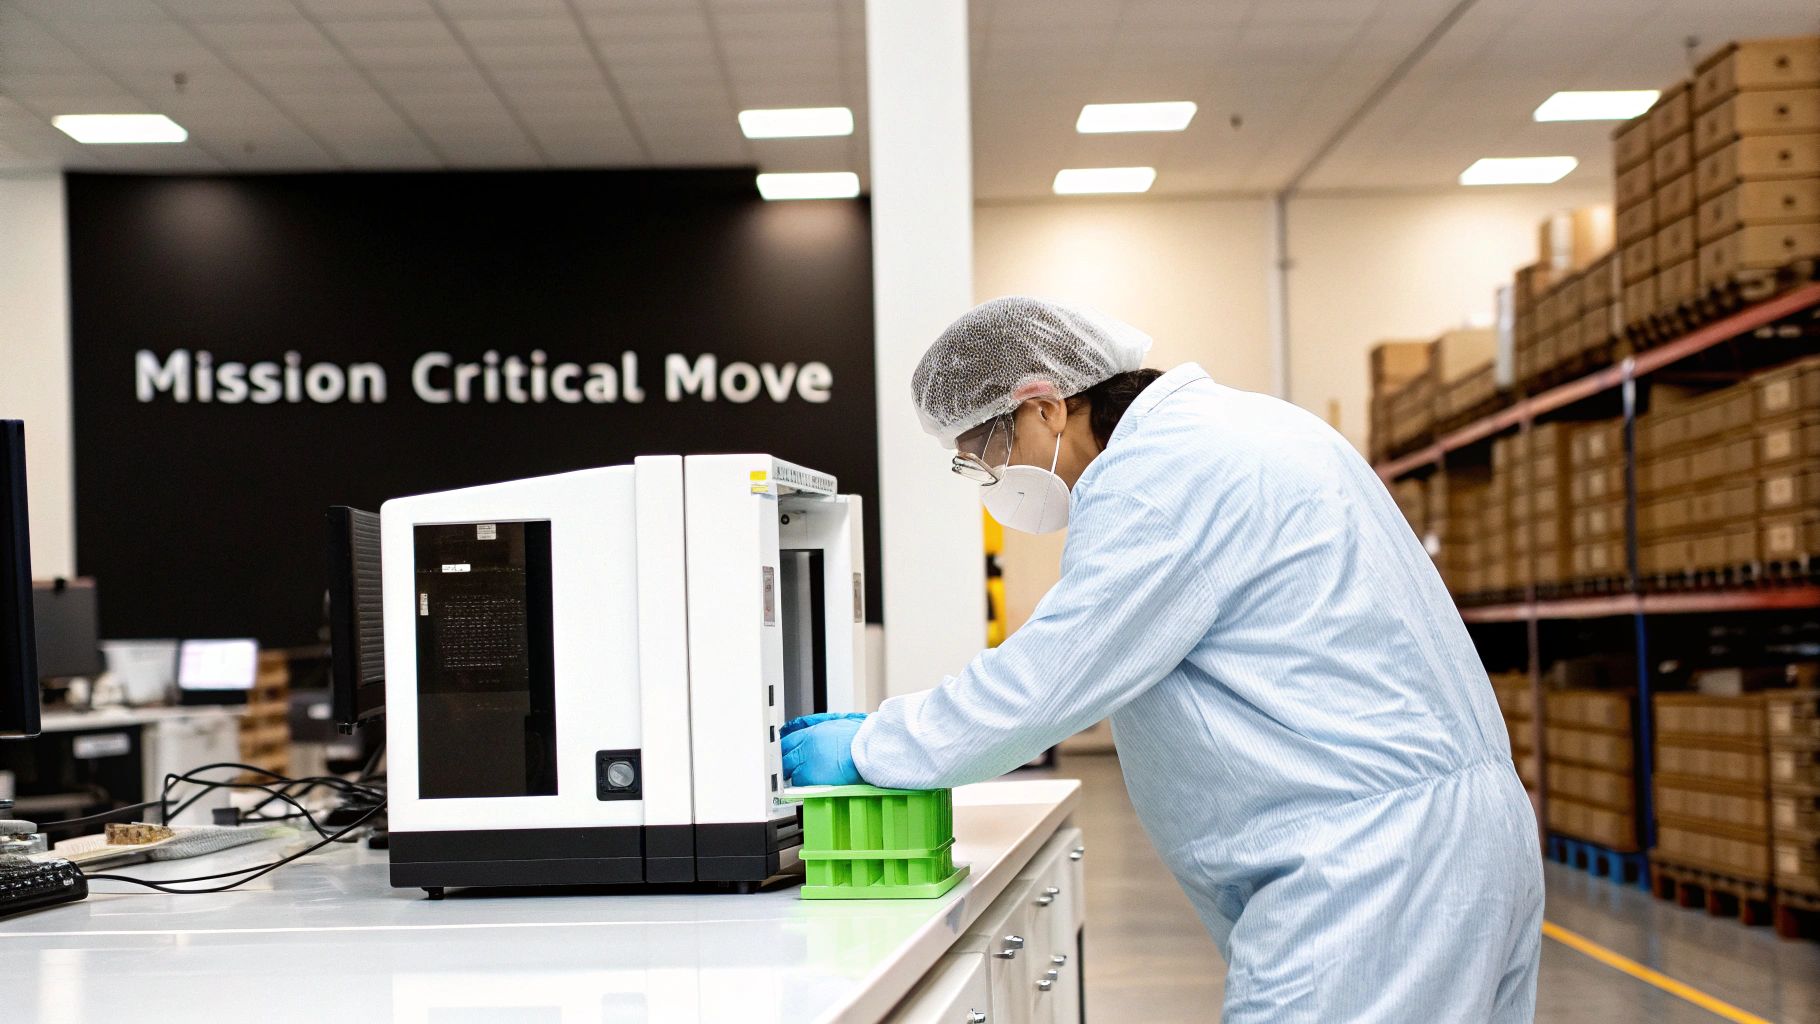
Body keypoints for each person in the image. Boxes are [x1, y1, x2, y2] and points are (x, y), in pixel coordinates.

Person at [782, 295, 1543, 1022]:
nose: (988, 477)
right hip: (1454, 834)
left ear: (1045, 405)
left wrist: (876, 744)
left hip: (1371, 873)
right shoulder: (1242, 428)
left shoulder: (1159, 481)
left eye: (984, 449)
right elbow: (1085, 639)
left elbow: (1049, 679)